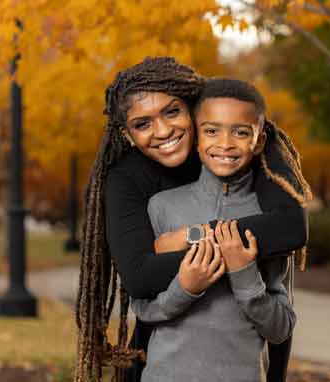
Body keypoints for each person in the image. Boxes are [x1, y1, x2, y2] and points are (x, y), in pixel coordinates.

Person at [74, 57, 311, 382]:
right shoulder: (129, 180)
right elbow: (140, 277)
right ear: (127, 133)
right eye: (142, 124)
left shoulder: (241, 146)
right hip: (165, 357)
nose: (163, 131)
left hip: (249, 358)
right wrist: (227, 254)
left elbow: (289, 230)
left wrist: (197, 236)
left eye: (172, 111)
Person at [129, 78, 297, 382]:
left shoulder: (270, 219)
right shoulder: (162, 207)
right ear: (196, 138)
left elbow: (281, 328)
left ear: (258, 142)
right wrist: (186, 288)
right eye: (211, 131)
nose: (225, 144)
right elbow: (142, 309)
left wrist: (246, 277)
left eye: (241, 132)